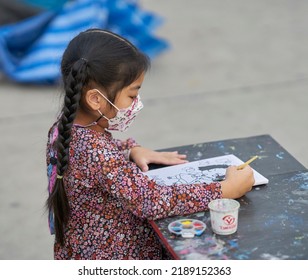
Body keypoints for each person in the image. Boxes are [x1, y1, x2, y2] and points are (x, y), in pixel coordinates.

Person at [46, 28, 254, 260]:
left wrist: (129, 150)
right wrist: (225, 190)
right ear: (95, 99)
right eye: (132, 96)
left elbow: (90, 163)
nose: (136, 104)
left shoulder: (65, 127)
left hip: (83, 249)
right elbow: (150, 201)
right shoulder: (97, 152)